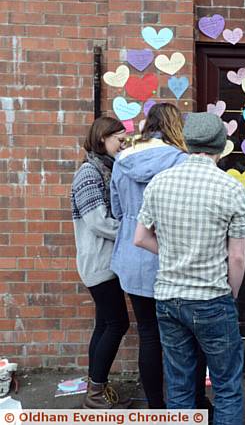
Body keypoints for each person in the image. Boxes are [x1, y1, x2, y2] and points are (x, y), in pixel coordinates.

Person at [134, 112, 245, 424]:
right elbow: (237, 257)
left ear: (186, 142)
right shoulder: (231, 188)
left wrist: (172, 252)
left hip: (168, 298)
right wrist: (231, 293)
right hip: (212, 297)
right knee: (227, 387)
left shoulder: (159, 183)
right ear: (221, 147)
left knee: (180, 386)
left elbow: (140, 237)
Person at [109, 103, 211, 411]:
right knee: (190, 337)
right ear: (174, 127)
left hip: (131, 254)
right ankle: (195, 402)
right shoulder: (181, 161)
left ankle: (155, 407)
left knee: (149, 335)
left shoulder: (121, 160)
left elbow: (116, 209)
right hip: (169, 256)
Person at [70, 116, 131, 409]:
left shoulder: (103, 169)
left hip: (106, 262)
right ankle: (95, 394)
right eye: (119, 140)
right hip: (99, 263)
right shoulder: (88, 173)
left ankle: (96, 387)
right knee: (117, 323)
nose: (123, 146)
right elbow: (98, 222)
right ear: (101, 139)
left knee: (104, 324)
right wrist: (133, 230)